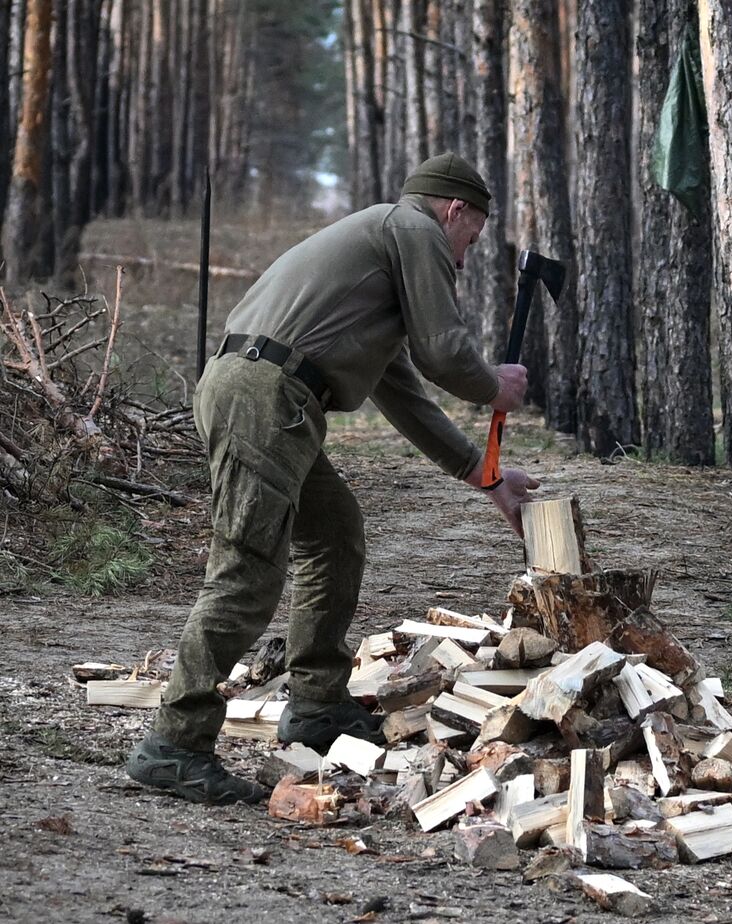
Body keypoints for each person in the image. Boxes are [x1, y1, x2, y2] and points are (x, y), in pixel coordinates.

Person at [126, 154, 537, 805]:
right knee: (248, 567)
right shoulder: (415, 229)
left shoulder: (380, 257)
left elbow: (401, 389)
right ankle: (173, 745)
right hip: (265, 396)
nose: (462, 259)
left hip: (269, 394)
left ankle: (316, 706)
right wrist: (493, 384)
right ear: (455, 212)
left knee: (334, 532)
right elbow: (442, 351)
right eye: (471, 241)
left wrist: (481, 473)